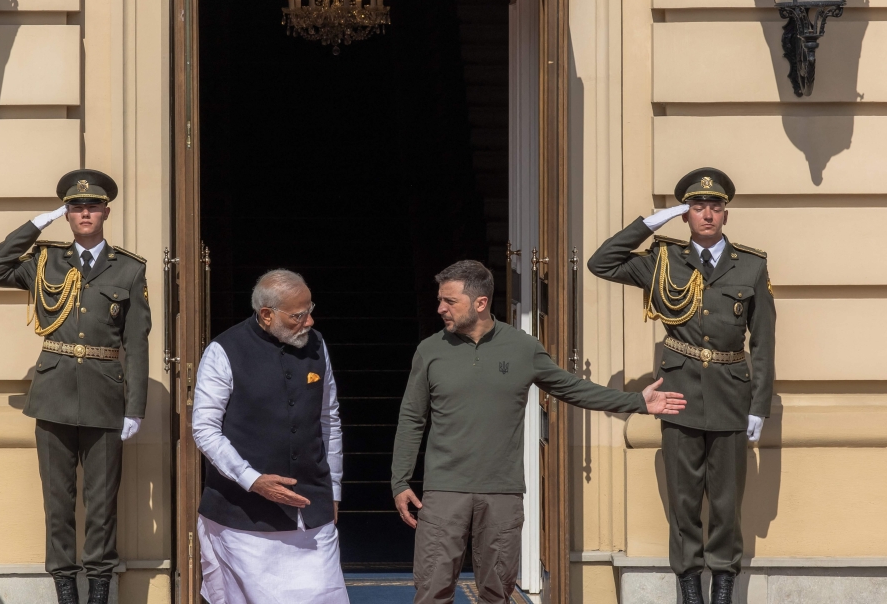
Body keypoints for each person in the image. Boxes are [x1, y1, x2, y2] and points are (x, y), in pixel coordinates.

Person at [391, 260, 686, 604]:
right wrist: (400, 480)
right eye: (440, 300)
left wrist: (637, 402)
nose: (441, 308)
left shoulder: (522, 348)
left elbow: (572, 388)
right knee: (431, 590)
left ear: (481, 303)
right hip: (443, 492)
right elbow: (412, 417)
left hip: (501, 492)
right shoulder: (430, 350)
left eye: (450, 301)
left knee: (496, 592)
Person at [587, 167, 776, 604]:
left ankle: (723, 587)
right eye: (696, 207)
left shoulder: (750, 264)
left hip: (732, 395)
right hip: (679, 394)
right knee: (684, 500)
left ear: (725, 214)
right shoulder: (663, 260)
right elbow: (602, 262)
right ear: (685, 214)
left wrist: (758, 405)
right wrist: (651, 222)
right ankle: (689, 588)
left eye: (715, 206)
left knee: (727, 505)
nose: (706, 214)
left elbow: (763, 342)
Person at [0, 169, 151, 604]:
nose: (84, 213)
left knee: (102, 504)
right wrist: (38, 223)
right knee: (58, 505)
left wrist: (136, 408)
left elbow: (136, 343)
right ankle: (64, 591)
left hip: (104, 399)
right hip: (53, 398)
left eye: (92, 206)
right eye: (75, 207)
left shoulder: (128, 269)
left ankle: (97, 591)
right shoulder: (45, 260)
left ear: (106, 212)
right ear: (68, 214)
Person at [192, 269, 348, 604]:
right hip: (243, 518)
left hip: (311, 512)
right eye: (299, 315)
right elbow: (205, 429)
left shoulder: (317, 346)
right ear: (267, 314)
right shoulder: (223, 350)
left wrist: (333, 488)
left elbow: (328, 419)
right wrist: (252, 480)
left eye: (309, 310)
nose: (309, 321)